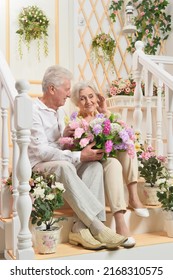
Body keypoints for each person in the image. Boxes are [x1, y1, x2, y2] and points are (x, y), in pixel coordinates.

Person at [28, 65, 127, 251]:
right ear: (51, 89)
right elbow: (41, 151)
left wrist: (64, 139)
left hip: (58, 161)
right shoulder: (33, 110)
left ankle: (80, 228)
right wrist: (78, 154)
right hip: (38, 167)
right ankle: (98, 227)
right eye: (66, 89)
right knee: (65, 167)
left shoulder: (59, 112)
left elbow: (55, 146)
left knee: (94, 166)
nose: (68, 94)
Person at [70, 80, 150, 248]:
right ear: (77, 102)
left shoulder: (105, 116)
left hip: (106, 159)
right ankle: (120, 222)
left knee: (127, 145)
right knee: (113, 163)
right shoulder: (74, 123)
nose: (88, 101)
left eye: (91, 96)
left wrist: (105, 111)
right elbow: (72, 148)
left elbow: (125, 131)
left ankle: (132, 200)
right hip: (88, 164)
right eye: (83, 98)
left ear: (97, 98)